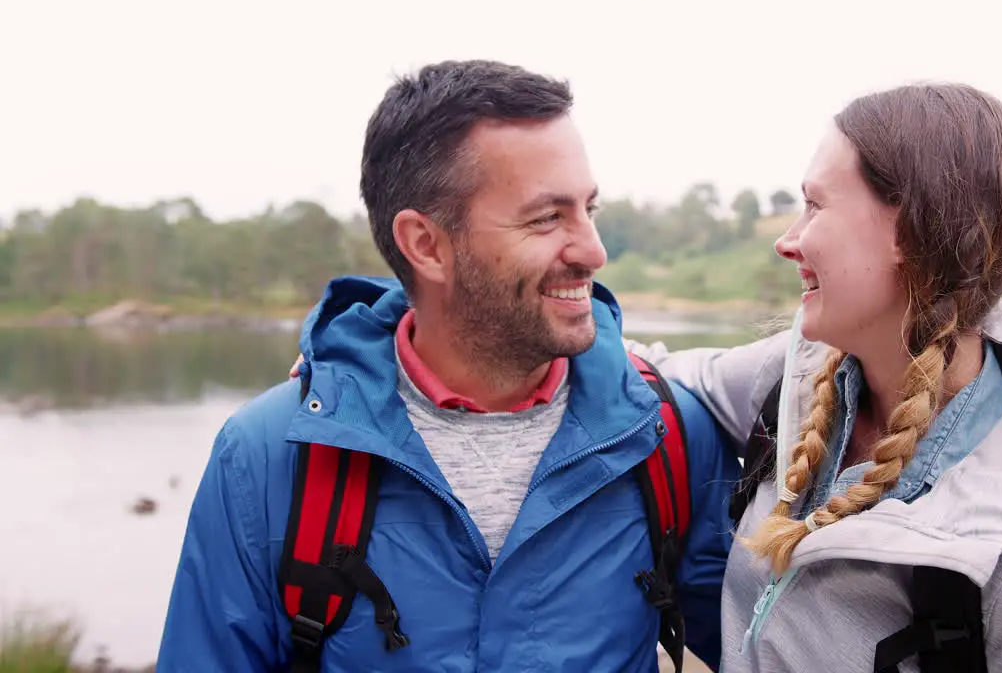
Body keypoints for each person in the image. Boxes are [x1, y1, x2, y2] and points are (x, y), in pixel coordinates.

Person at [157, 60, 740, 672]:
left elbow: (770, 646)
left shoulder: (669, 437)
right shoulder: (268, 456)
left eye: (588, 208)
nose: (593, 249)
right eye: (547, 217)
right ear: (426, 244)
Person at [624, 83, 1002, 672]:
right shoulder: (799, 375)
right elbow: (665, 374)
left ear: (911, 231)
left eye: (815, 205)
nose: (787, 241)